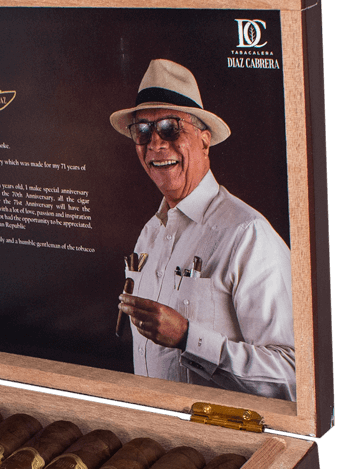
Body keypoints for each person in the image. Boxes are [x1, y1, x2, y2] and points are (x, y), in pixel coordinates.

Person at [111, 59, 295, 401]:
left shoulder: (248, 234)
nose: (155, 144)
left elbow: (292, 375)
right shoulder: (149, 234)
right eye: (143, 131)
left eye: (170, 128)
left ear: (205, 141)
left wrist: (187, 337)